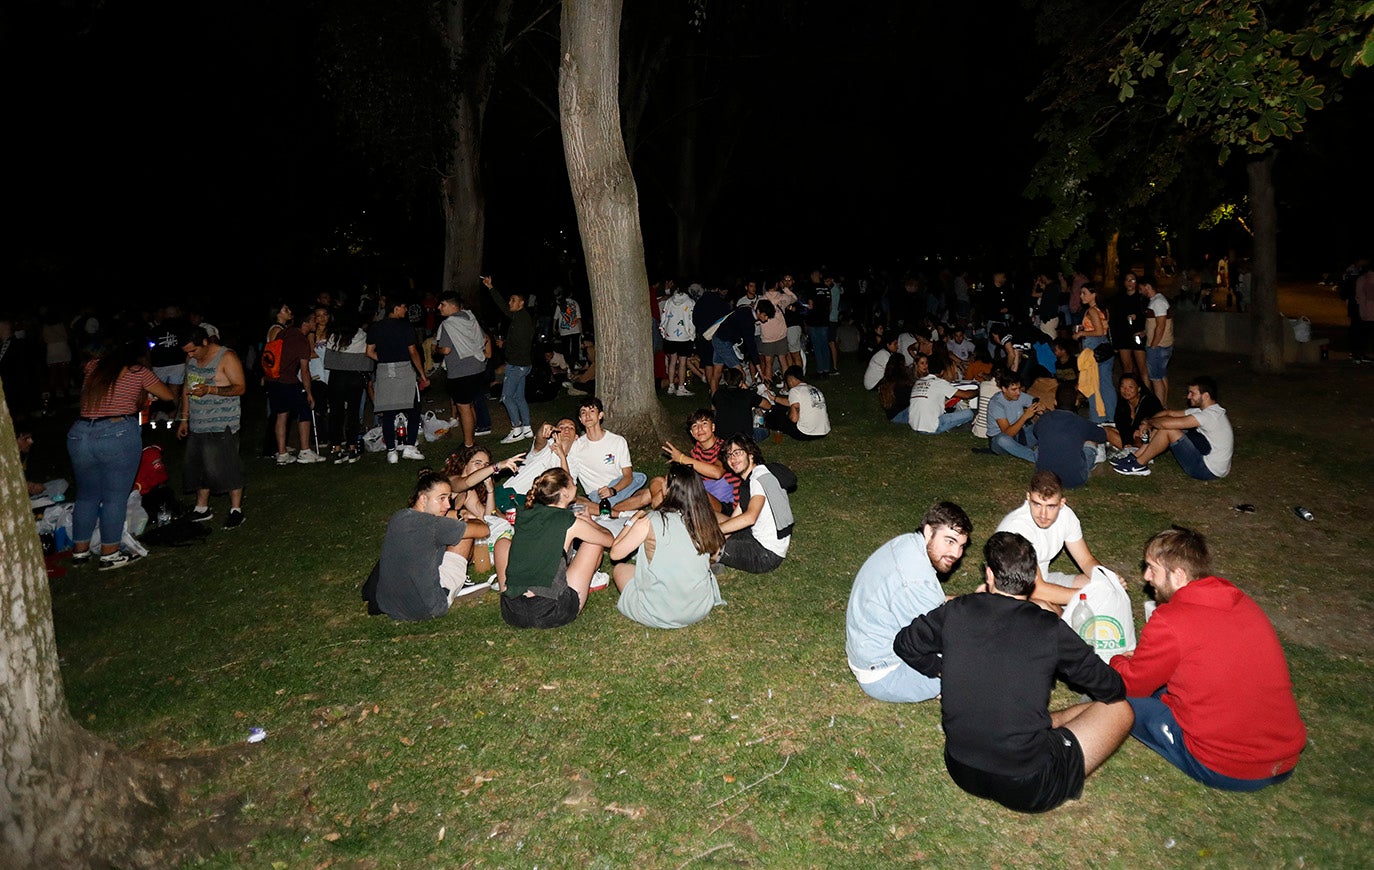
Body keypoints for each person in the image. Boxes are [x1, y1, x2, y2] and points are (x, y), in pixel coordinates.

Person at [893, 531, 1134, 814]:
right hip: (1029, 784)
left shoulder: (956, 610)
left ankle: (1042, 726)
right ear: (1034, 578)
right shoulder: (1049, 628)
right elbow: (1110, 688)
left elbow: (905, 643)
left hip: (961, 769)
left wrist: (940, 669)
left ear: (989, 575)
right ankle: (1042, 734)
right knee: (1121, 710)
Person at [1111, 528, 1306, 790]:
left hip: (1229, 767)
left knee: (1114, 694)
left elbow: (1131, 684)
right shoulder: (1241, 602)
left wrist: (1117, 660)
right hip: (1284, 756)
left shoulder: (1171, 620)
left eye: (1152, 568)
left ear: (1178, 576)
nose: (1146, 577)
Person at [845, 502, 973, 702]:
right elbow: (935, 639)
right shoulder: (915, 580)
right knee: (974, 669)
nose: (956, 553)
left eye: (961, 546)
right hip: (884, 674)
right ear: (929, 530)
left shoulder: (908, 543)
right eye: (949, 541)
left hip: (868, 648)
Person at [67, 341, 176, 570]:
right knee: (114, 497)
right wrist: (146, 391)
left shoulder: (93, 368)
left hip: (80, 433)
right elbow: (167, 395)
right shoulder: (139, 372)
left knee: (86, 495)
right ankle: (110, 554)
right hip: (116, 432)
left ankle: (80, 551)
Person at [609, 463, 726, 628]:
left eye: (665, 480)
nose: (662, 484)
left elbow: (615, 553)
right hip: (699, 607)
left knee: (620, 569)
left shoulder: (650, 521)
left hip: (660, 613)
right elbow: (713, 555)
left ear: (671, 489)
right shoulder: (703, 518)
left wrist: (632, 520)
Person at [495, 467, 613, 629]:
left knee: (502, 544)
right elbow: (609, 540)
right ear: (565, 493)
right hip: (551, 612)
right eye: (573, 483)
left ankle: (509, 589)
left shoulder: (524, 514)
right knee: (594, 543)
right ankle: (588, 579)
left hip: (512, 611)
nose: (576, 485)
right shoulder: (569, 520)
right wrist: (589, 521)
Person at [370, 471, 490, 621]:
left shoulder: (398, 518)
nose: (447, 504)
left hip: (390, 606)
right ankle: (456, 587)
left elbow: (438, 519)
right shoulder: (433, 526)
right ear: (423, 499)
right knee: (463, 533)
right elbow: (483, 530)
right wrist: (473, 519)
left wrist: (459, 513)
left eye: (448, 498)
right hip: (426, 608)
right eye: (441, 499)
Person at [995, 471, 1104, 606]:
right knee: (1047, 610)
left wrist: (1107, 578)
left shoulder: (1066, 517)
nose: (1043, 514)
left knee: (1100, 585)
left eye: (1051, 506)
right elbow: (1037, 591)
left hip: (1043, 581)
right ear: (1028, 498)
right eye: (1037, 504)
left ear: (1061, 503)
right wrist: (1086, 596)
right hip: (1018, 593)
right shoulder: (1016, 529)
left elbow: (1085, 560)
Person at [177, 325, 247, 529]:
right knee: (199, 466)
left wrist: (210, 389)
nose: (190, 355)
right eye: (187, 352)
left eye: (193, 350)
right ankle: (202, 508)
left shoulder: (227, 357)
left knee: (228, 466)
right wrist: (184, 418)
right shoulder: (191, 359)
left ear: (205, 342)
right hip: (198, 422)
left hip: (223, 422)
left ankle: (236, 510)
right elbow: (186, 388)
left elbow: (240, 387)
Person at [614, 409, 738, 515]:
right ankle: (609, 511)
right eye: (695, 426)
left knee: (683, 491)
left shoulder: (725, 447)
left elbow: (717, 473)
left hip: (723, 505)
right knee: (657, 483)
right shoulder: (696, 451)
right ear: (691, 433)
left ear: (713, 427)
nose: (699, 429)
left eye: (704, 423)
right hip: (698, 496)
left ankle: (663, 517)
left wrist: (682, 459)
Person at [1112, 375, 1232, 479]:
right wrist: (1148, 421)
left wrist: (1149, 423)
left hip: (1207, 470)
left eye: (1192, 393)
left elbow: (1165, 423)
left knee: (1168, 429)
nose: (1188, 396)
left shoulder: (1209, 416)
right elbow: (1168, 413)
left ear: (1205, 396)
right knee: (1163, 424)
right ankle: (1136, 455)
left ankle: (1138, 464)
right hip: (1208, 457)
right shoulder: (1204, 411)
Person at [367, 296, 431, 463]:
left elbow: (368, 351)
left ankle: (391, 451)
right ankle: (409, 447)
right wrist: (422, 375)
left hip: (384, 371)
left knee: (388, 412)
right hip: (404, 370)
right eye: (404, 307)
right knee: (414, 409)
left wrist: (383, 359)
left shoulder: (375, 327)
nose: (406, 310)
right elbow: (413, 352)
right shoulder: (406, 327)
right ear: (396, 308)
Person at [716, 436, 792, 573]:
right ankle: (716, 556)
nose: (732, 459)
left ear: (750, 455)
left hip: (766, 554)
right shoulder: (753, 478)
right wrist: (718, 537)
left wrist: (713, 535)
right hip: (755, 536)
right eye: (729, 456)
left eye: (737, 453)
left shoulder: (758, 479)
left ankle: (712, 560)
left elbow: (750, 517)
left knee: (703, 546)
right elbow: (735, 518)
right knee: (710, 518)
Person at [265, 302, 326, 465]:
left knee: (282, 413)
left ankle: (282, 454)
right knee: (305, 409)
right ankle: (305, 451)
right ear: (305, 323)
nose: (316, 322)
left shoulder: (284, 333)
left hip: (273, 380)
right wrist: (309, 392)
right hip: (287, 380)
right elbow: (305, 370)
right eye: (313, 319)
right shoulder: (301, 340)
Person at [565, 396, 647, 508]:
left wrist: (613, 490)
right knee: (574, 500)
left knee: (645, 485)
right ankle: (615, 509)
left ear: (600, 415)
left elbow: (628, 476)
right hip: (597, 495)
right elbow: (570, 478)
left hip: (619, 489)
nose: (587, 415)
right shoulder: (576, 447)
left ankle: (612, 509)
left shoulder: (618, 441)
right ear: (580, 419)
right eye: (583, 412)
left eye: (592, 411)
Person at [484, 276, 535, 443]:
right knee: (519, 397)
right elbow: (503, 307)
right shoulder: (520, 316)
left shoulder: (521, 320)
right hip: (523, 364)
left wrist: (504, 344)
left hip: (517, 365)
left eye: (513, 301)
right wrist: (491, 288)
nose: (510, 303)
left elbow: (520, 343)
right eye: (510, 300)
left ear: (521, 303)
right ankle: (527, 429)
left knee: (507, 397)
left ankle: (516, 429)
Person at [435, 291, 489, 448]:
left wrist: (436, 349)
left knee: (463, 407)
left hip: (461, 371)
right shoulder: (470, 318)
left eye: (442, 304)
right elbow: (483, 337)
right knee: (469, 404)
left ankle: (468, 444)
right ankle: (471, 438)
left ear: (453, 306)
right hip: (478, 367)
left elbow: (445, 350)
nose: (439, 307)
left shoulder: (449, 324)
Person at [323, 306, 374, 464]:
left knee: (336, 414)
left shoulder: (334, 336)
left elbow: (328, 362)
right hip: (355, 378)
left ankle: (336, 448)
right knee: (353, 413)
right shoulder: (362, 335)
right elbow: (367, 362)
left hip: (337, 378)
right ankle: (352, 448)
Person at [1073, 283, 1116, 424]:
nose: (1081, 296)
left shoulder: (1092, 311)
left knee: (1093, 384)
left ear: (1094, 294)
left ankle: (1098, 418)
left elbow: (1099, 331)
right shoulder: (1103, 309)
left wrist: (1081, 333)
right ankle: (1109, 416)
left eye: (1084, 293)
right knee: (1105, 383)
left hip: (1095, 348)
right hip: (1104, 349)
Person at [1032, 410, 1106, 490]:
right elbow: (1102, 436)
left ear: (1055, 402)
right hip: (1075, 480)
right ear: (1076, 402)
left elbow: (1035, 433)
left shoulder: (1043, 419)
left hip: (1045, 478)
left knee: (1041, 447)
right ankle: (1096, 458)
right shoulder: (1081, 422)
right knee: (1091, 442)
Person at [908, 353, 976, 434]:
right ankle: (952, 428)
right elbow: (966, 395)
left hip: (915, 425)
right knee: (969, 413)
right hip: (931, 427)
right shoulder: (939, 382)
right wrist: (978, 390)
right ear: (942, 372)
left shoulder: (919, 381)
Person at [986, 367, 1041, 463]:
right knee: (1002, 439)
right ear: (1004, 389)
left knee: (1042, 424)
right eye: (1014, 389)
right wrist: (1025, 417)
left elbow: (1037, 404)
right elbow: (1007, 433)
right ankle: (1033, 457)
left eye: (1019, 388)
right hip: (1000, 441)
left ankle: (1048, 449)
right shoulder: (996, 403)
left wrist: (1041, 409)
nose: (1018, 392)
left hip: (1020, 435)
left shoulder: (1019, 395)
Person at [762, 365, 830, 441]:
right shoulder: (814, 389)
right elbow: (791, 402)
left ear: (790, 378)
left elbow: (794, 419)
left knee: (778, 415)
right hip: (823, 430)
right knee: (782, 408)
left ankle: (765, 422)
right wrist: (774, 398)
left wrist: (787, 415)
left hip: (806, 433)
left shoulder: (795, 390)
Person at [1103, 373, 1163, 455]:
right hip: (1131, 438)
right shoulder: (1122, 402)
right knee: (1106, 430)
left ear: (1138, 389)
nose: (1126, 390)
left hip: (1150, 439)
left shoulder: (1149, 401)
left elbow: (1155, 422)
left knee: (1140, 434)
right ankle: (1131, 451)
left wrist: (1137, 433)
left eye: (1130, 387)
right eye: (1123, 387)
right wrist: (1127, 441)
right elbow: (1121, 425)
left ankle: (1136, 453)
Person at [711, 367, 767, 443]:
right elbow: (768, 405)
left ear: (726, 382)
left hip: (722, 438)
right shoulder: (748, 394)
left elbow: (714, 409)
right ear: (741, 383)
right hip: (744, 440)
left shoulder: (719, 394)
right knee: (765, 431)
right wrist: (748, 389)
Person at [660, 283, 697, 396]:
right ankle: (680, 387)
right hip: (684, 337)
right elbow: (692, 319)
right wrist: (692, 333)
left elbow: (664, 316)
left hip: (670, 335)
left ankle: (671, 386)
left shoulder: (669, 301)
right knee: (682, 362)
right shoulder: (690, 302)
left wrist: (663, 330)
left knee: (672, 361)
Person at [1140, 277, 1173, 405]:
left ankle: (1159, 407)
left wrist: (1154, 344)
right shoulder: (1157, 301)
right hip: (1161, 344)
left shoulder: (1158, 302)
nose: (1140, 291)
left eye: (1141, 288)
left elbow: (1161, 325)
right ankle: (1163, 405)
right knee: (1162, 375)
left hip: (1159, 345)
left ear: (1147, 286)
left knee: (1155, 378)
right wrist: (1145, 332)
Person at [1110, 271, 1148, 380]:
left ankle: (1146, 393)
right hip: (1123, 335)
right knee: (1127, 368)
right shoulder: (1119, 298)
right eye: (1127, 280)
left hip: (1137, 334)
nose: (1130, 283)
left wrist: (1138, 318)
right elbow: (1115, 320)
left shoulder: (1142, 298)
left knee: (1142, 368)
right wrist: (1115, 341)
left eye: (1133, 280)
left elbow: (1147, 317)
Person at [874, 353, 914, 424]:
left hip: (891, 415)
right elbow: (910, 400)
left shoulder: (885, 380)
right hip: (900, 415)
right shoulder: (901, 383)